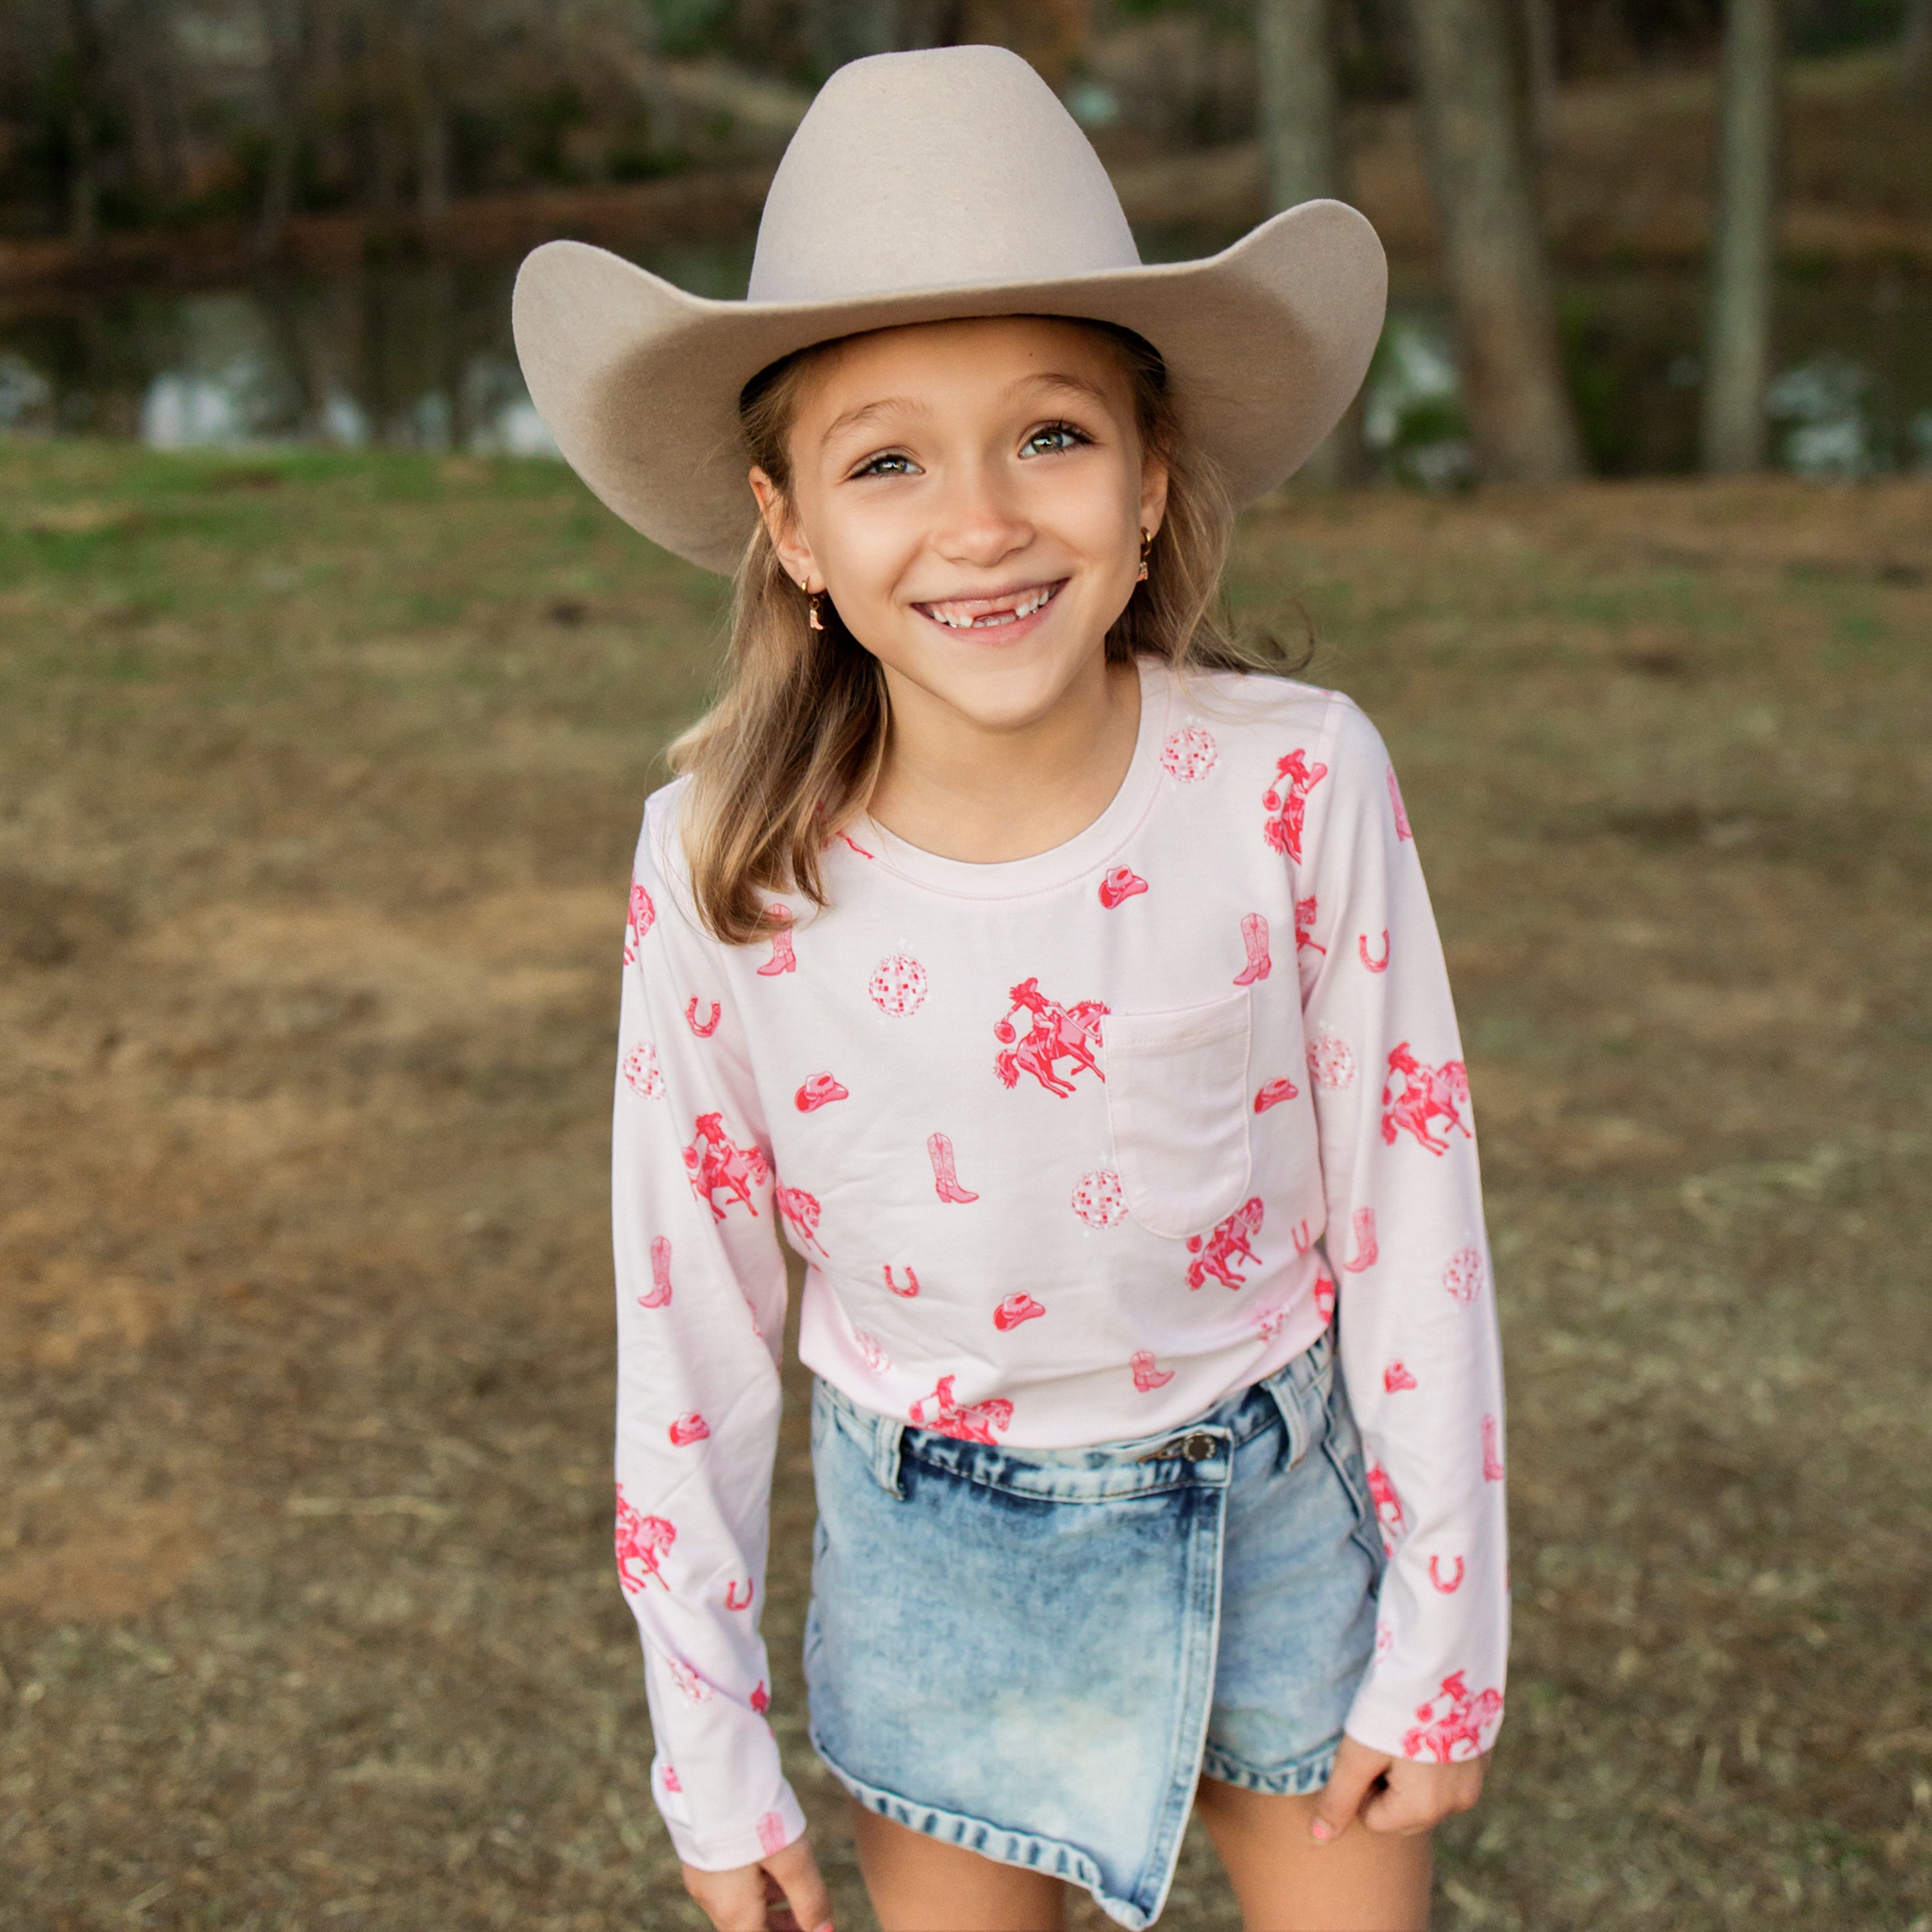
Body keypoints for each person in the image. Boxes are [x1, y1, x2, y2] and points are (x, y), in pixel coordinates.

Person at [512, 44, 1506, 1932]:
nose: (980, 523)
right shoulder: (724, 865)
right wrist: (708, 1753)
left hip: (1285, 1503)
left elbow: (1411, 1203)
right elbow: (691, 1318)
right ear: (791, 530)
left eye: (1050, 436)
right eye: (886, 460)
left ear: (1148, 485)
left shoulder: (1296, 782)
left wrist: (1444, 1619)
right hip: (939, 1549)